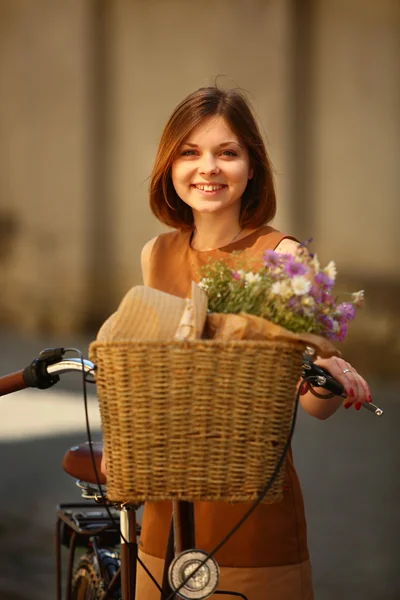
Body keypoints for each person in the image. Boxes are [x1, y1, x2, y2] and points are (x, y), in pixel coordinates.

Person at [131, 87, 372, 599]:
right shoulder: (157, 253)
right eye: (190, 153)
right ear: (169, 167)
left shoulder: (282, 255)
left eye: (228, 152)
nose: (208, 168)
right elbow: (145, 368)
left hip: (251, 499)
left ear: (252, 167)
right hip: (163, 495)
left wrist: (325, 374)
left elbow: (312, 407)